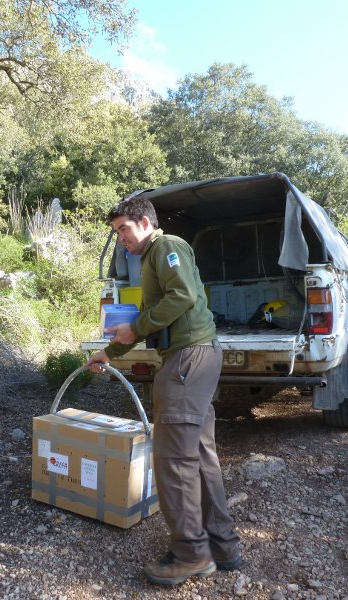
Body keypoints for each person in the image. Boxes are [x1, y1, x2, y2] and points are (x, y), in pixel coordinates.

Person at [86, 195, 242, 586]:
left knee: (173, 457)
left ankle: (191, 553)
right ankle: (222, 547)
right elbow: (149, 319)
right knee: (200, 453)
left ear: (143, 222)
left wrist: (136, 329)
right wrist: (110, 350)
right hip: (193, 358)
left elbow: (182, 297)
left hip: (188, 360)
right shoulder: (150, 257)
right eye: (116, 231)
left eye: (123, 228)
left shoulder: (166, 247)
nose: (120, 237)